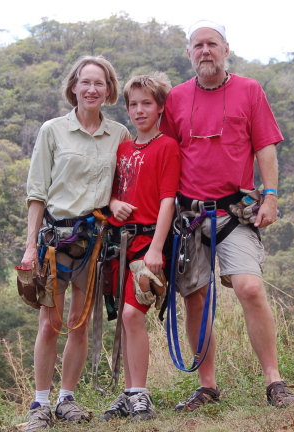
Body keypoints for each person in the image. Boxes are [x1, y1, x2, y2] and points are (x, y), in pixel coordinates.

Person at [159, 19, 294, 410]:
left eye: (212, 44)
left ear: (225, 49)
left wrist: (270, 196)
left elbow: (265, 146)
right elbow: (167, 153)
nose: (205, 50)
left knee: (250, 288)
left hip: (234, 209)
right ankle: (207, 387)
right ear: (189, 54)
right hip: (189, 214)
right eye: (198, 45)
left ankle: (274, 380)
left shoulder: (249, 90)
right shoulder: (176, 98)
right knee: (195, 298)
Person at [20, 55, 130, 431]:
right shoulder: (53, 130)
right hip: (54, 238)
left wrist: (114, 201)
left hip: (94, 241)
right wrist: (30, 244)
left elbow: (125, 184)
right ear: (74, 87)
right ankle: (40, 402)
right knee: (49, 323)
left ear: (109, 89)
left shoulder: (119, 134)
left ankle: (67, 398)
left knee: (79, 324)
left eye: (99, 83)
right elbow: (37, 192)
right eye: (85, 82)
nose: (92, 89)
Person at [101, 72, 181, 422]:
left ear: (160, 106)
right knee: (124, 319)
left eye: (146, 103)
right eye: (133, 104)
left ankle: (140, 393)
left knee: (134, 315)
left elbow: (168, 200)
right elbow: (113, 192)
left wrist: (157, 249)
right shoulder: (122, 148)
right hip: (119, 242)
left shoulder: (167, 147)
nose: (138, 110)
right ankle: (130, 392)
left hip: (149, 241)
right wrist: (114, 203)